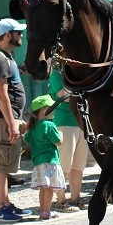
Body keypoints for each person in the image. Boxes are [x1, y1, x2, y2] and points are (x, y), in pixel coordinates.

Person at [0, 18, 32, 221]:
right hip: (1, 119)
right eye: (17, 32)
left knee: (4, 164)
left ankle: (6, 204)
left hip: (7, 118)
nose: (21, 36)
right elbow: (1, 94)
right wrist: (12, 123)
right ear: (6, 35)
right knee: (0, 163)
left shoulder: (6, 57)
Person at [24, 94, 66, 220]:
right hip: (50, 160)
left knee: (43, 188)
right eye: (51, 107)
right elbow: (58, 141)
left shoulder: (33, 126)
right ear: (43, 110)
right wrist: (61, 134)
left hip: (38, 162)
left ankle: (43, 211)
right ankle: (47, 212)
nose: (54, 109)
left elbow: (26, 138)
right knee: (49, 189)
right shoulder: (49, 125)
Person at [49, 70, 86, 211]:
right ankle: (61, 201)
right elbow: (65, 96)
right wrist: (85, 93)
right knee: (64, 165)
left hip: (81, 122)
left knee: (78, 165)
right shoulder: (56, 74)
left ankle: (76, 198)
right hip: (64, 122)